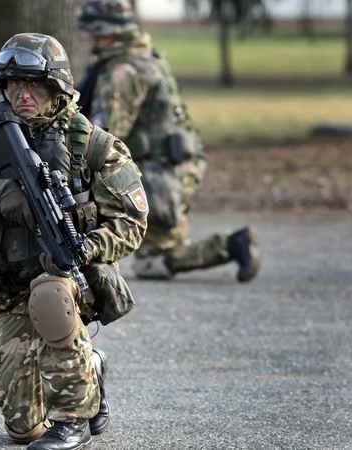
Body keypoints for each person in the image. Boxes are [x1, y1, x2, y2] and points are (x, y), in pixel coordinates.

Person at [0, 33, 147, 450]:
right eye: (13, 85)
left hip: (65, 279)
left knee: (51, 296)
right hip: (5, 287)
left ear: (58, 88)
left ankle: (73, 420)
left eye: (33, 85)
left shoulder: (96, 146)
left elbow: (132, 221)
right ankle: (92, 368)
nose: (22, 95)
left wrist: (87, 247)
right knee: (22, 429)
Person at [76, 0, 260, 282]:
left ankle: (233, 244)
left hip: (162, 173)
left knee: (152, 262)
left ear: (105, 32)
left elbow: (105, 137)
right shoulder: (147, 57)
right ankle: (232, 244)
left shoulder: (121, 71)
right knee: (151, 254)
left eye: (93, 33)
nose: (91, 41)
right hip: (175, 164)